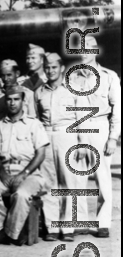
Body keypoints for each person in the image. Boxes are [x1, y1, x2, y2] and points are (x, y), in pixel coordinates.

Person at [0, 84, 49, 246]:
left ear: (23, 101)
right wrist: (2, 174)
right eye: (9, 100)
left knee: (21, 194)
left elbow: (40, 154)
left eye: (16, 99)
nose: (12, 103)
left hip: (29, 174)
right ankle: (12, 231)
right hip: (5, 171)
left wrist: (24, 174)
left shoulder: (34, 125)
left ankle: (4, 233)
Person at [66, 36, 120, 239]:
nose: (84, 52)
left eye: (89, 48)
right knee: (78, 176)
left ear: (96, 51)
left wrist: (113, 137)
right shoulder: (72, 78)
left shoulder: (109, 76)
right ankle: (80, 220)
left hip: (100, 125)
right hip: (78, 127)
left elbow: (118, 110)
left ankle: (103, 223)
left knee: (103, 177)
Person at [35, 53, 84, 242]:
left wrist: (81, 143)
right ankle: (52, 226)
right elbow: (38, 119)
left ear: (62, 68)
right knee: (49, 182)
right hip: (47, 136)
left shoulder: (73, 89)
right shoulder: (40, 92)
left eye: (54, 67)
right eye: (47, 67)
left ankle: (69, 227)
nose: (50, 71)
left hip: (67, 135)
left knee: (69, 182)